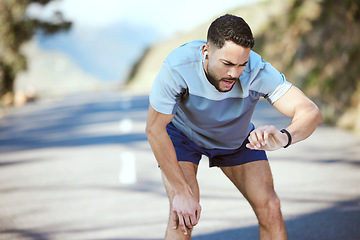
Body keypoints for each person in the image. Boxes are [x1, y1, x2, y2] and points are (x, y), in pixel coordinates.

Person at [145, 14, 322, 240]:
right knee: (183, 216)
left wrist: (284, 136)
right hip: (183, 136)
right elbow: (154, 128)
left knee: (270, 207)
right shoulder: (178, 66)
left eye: (241, 65)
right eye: (227, 64)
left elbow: (310, 112)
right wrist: (181, 191)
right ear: (206, 52)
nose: (234, 74)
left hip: (235, 138)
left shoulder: (257, 71)